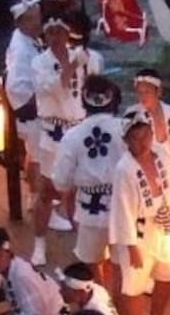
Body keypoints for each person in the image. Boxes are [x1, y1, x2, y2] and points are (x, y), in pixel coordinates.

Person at [108, 114, 170, 315]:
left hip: (162, 223)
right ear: (126, 140)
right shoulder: (124, 169)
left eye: (145, 135)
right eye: (135, 138)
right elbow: (122, 210)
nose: (142, 142)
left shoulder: (160, 152)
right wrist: (131, 247)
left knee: (169, 275)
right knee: (134, 287)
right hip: (137, 232)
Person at [28, 17, 101, 261]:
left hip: (78, 131)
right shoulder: (39, 62)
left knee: (78, 189)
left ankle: (81, 241)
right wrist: (72, 65)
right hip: (53, 132)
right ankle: (39, 243)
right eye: (50, 33)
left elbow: (96, 83)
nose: (55, 37)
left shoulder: (82, 57)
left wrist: (88, 61)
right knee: (47, 191)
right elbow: (55, 87)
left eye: (60, 32)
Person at [49, 76, 125, 282]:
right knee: (121, 267)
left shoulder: (73, 135)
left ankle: (102, 301)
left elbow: (61, 181)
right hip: (123, 208)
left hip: (90, 209)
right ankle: (118, 306)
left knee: (92, 263)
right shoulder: (127, 129)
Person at [3, 0, 45, 190]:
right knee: (38, 158)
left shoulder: (26, 40)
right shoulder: (21, 49)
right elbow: (15, 87)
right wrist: (38, 103)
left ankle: (32, 196)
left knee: (33, 154)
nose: (39, 22)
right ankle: (37, 197)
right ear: (22, 22)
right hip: (31, 110)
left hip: (34, 107)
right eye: (34, 19)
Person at [133, 68, 170, 174]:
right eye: (140, 93)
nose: (143, 97)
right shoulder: (133, 116)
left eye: (147, 92)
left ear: (158, 91)